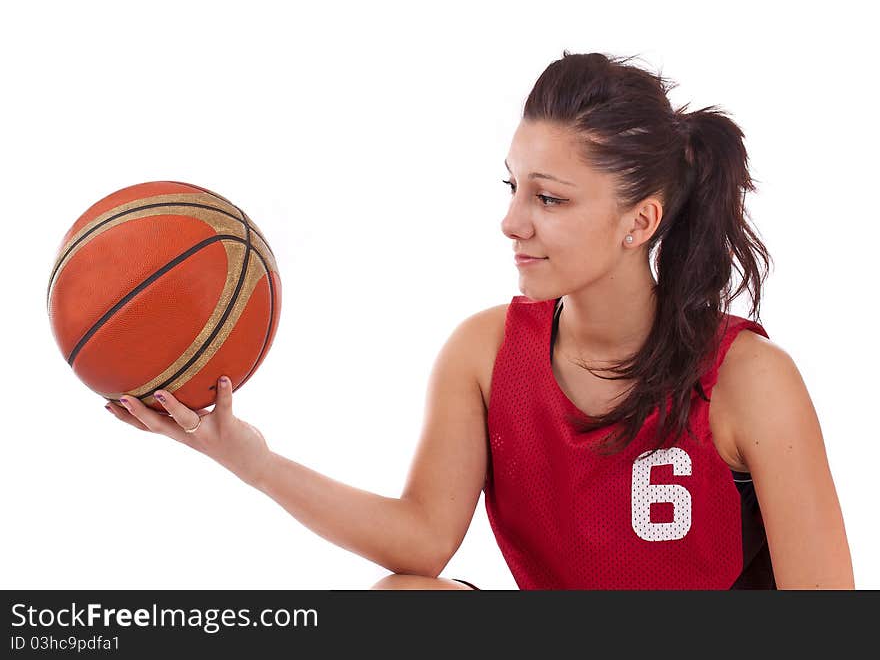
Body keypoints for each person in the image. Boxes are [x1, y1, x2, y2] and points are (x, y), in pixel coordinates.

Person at [105, 51, 854, 589]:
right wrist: (250, 460)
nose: (510, 221)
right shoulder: (485, 352)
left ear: (640, 221)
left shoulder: (747, 380)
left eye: (549, 198)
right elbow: (422, 542)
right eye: (513, 187)